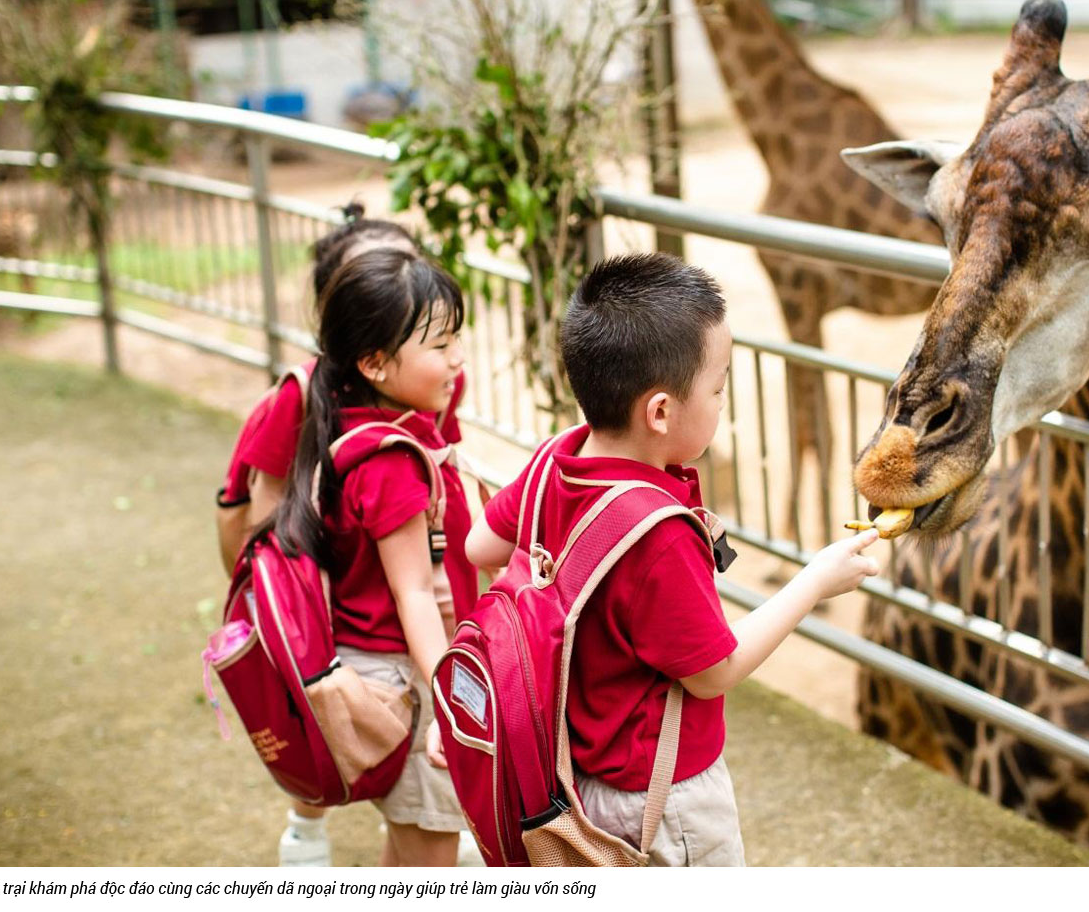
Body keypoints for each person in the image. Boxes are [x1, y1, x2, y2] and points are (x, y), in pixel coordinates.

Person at [463, 252, 880, 866]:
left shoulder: (558, 458)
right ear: (659, 412)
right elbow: (713, 671)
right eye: (717, 389)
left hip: (573, 778)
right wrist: (814, 581)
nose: (721, 405)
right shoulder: (657, 534)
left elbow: (480, 547)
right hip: (664, 806)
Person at [220, 205, 466, 866]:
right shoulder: (392, 460)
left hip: (369, 660)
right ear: (377, 362)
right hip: (406, 677)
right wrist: (448, 703)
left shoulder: (348, 427)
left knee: (415, 850)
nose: (457, 361)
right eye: (440, 346)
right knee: (429, 861)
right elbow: (414, 591)